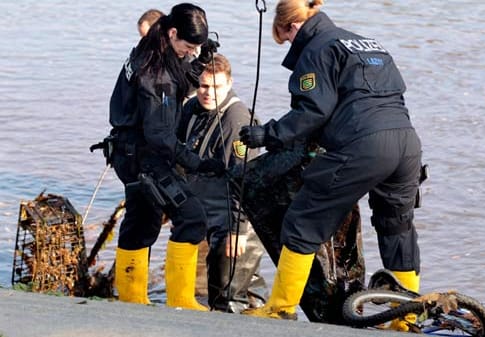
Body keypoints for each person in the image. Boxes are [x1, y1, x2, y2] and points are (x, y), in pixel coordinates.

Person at [239, 0, 423, 323]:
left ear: (293, 27)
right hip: (407, 143)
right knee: (397, 228)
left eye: (284, 39)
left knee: (302, 221)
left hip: (365, 145)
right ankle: (405, 319)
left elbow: (312, 112)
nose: (288, 45)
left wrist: (266, 135)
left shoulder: (316, 49)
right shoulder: (367, 43)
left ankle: (280, 308)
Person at [109, 3, 224, 311]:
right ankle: (181, 301)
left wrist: (199, 63)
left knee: (141, 223)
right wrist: (196, 162)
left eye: (196, 48)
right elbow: (160, 134)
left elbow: (179, 81)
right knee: (191, 216)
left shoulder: (155, 43)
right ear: (173, 33)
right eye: (188, 47)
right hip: (142, 155)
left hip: (130, 149)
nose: (191, 53)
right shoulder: (155, 70)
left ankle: (132, 302)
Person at [179, 53, 265, 313]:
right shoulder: (192, 109)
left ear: (229, 84)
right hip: (207, 207)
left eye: (216, 87)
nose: (208, 93)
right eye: (204, 86)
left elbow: (243, 179)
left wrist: (237, 230)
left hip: (237, 215)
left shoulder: (236, 119)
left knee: (228, 299)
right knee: (240, 290)